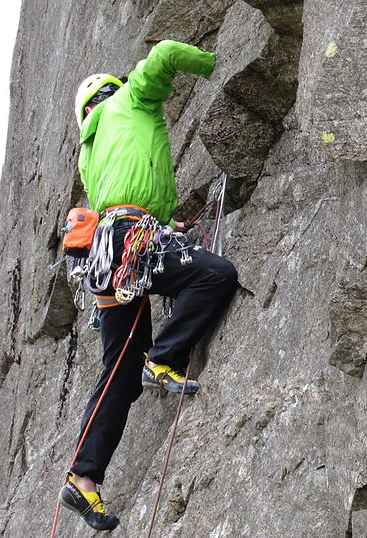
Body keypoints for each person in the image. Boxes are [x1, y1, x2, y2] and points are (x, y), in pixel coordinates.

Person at [57, 40, 238, 531]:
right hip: (133, 241)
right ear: (111, 92)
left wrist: (164, 228)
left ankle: (83, 478)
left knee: (117, 370)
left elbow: (121, 193)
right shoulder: (128, 100)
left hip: (107, 258)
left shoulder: (89, 152)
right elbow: (161, 57)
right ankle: (163, 359)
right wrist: (215, 64)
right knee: (214, 274)